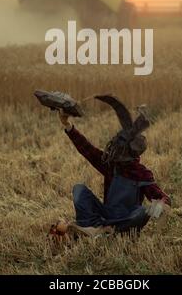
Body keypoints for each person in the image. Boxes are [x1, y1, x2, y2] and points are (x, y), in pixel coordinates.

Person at [58, 95, 171, 237]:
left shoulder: (142, 174)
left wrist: (161, 205)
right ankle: (92, 227)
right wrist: (67, 125)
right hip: (106, 215)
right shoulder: (111, 165)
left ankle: (105, 231)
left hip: (126, 223)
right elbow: (87, 149)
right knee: (79, 189)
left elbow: (164, 199)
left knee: (142, 211)